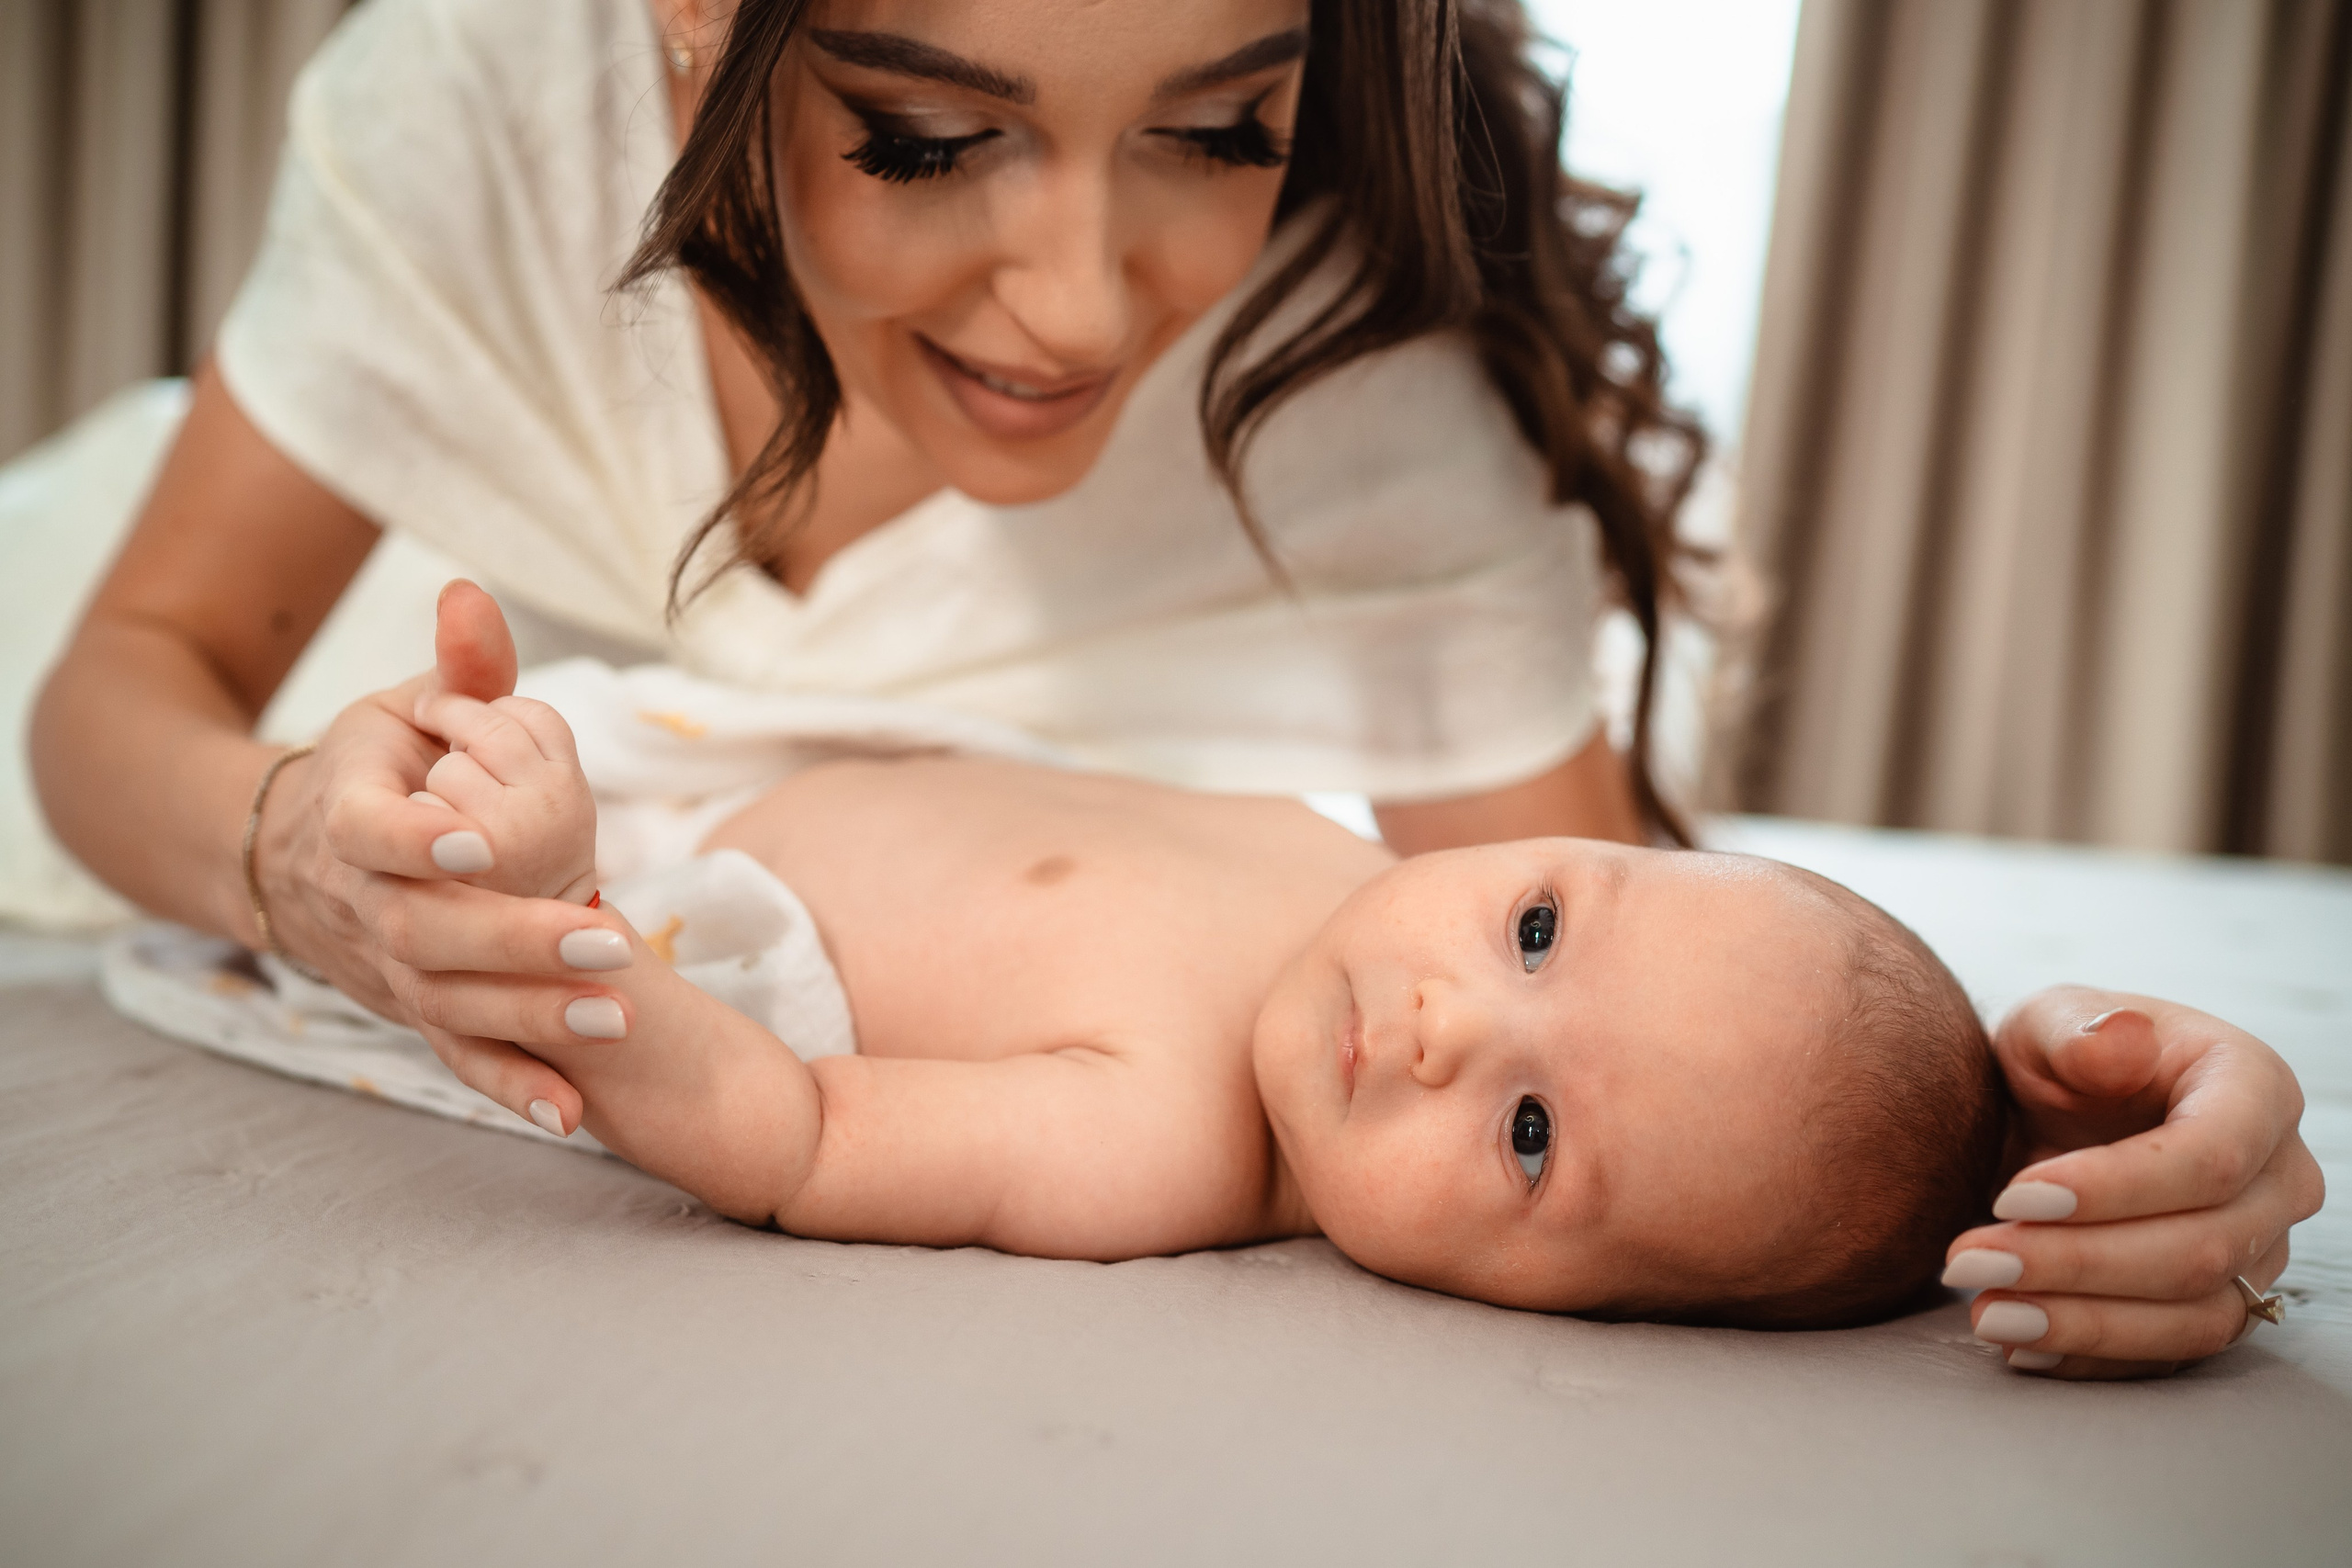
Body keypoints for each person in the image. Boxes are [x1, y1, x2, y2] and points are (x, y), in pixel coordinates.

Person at [26, 0, 2320, 1373]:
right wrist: (284, 848)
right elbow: (129, 678)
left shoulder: (1343, 377)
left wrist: (2043, 1130)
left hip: (628, 832)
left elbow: (1654, 971)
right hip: (303, 672)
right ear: (695, 21)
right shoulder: (481, 108)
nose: (1080, 311)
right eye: (930, 138)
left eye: (1222, 125)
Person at [395, 581, 2010, 1330]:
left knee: (416, 833)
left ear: (1569, 1309)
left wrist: (582, 951)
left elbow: (798, 1139)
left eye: (1531, 1136)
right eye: (1534, 930)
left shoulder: (1161, 1144)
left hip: (671, 903)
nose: (1449, 1024)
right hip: (727, 748)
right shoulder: (1356, 867)